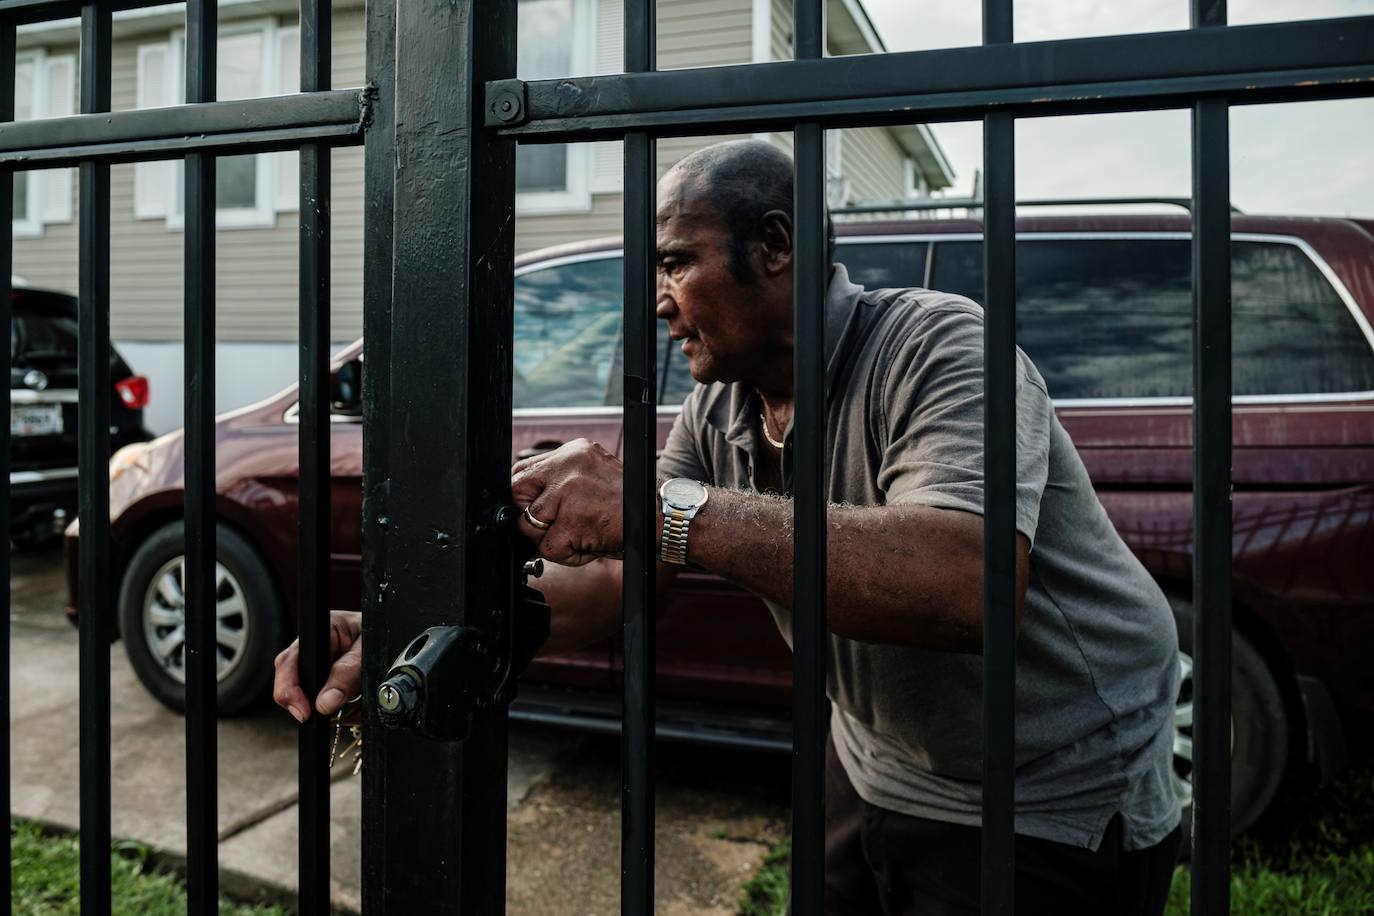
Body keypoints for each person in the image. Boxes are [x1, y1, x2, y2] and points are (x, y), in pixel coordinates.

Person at [275, 139, 1182, 914]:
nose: (657, 300)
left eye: (674, 262)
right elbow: (629, 577)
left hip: (1055, 784)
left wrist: (656, 508)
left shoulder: (940, 348)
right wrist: (406, 639)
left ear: (775, 246)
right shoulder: (722, 412)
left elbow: (966, 586)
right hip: (875, 755)